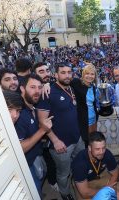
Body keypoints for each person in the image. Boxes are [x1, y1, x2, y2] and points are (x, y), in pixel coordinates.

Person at [37, 63, 84, 200]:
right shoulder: (48, 92)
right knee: (64, 172)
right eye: (63, 72)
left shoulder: (72, 87)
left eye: (69, 72)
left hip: (77, 138)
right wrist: (55, 140)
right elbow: (42, 121)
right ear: (55, 75)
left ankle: (79, 184)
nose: (67, 75)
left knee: (79, 164)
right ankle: (65, 193)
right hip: (61, 143)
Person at [14, 74, 53, 196]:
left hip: (36, 158)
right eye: (32, 87)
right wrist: (42, 131)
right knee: (34, 192)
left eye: (39, 87)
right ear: (22, 88)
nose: (37, 91)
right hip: (27, 166)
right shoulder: (17, 114)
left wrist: (46, 84)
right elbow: (19, 148)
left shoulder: (32, 106)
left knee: (39, 188)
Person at [72, 131, 119, 200]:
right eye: (97, 149)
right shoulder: (79, 164)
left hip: (100, 176)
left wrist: (109, 188)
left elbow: (115, 174)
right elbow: (85, 193)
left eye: (103, 147)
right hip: (85, 183)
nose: (101, 152)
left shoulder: (107, 153)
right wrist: (106, 192)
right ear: (89, 148)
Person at [33, 62, 58, 191]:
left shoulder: (51, 86)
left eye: (47, 70)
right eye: (41, 71)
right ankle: (53, 183)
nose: (46, 73)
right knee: (50, 163)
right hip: (42, 137)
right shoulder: (34, 92)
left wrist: (47, 84)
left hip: (53, 132)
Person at [71, 63, 99, 146]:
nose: (89, 76)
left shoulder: (93, 87)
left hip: (93, 120)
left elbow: (92, 104)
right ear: (83, 74)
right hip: (83, 121)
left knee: (92, 143)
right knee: (85, 144)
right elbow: (62, 83)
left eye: (92, 74)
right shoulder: (76, 82)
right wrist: (47, 84)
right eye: (87, 73)